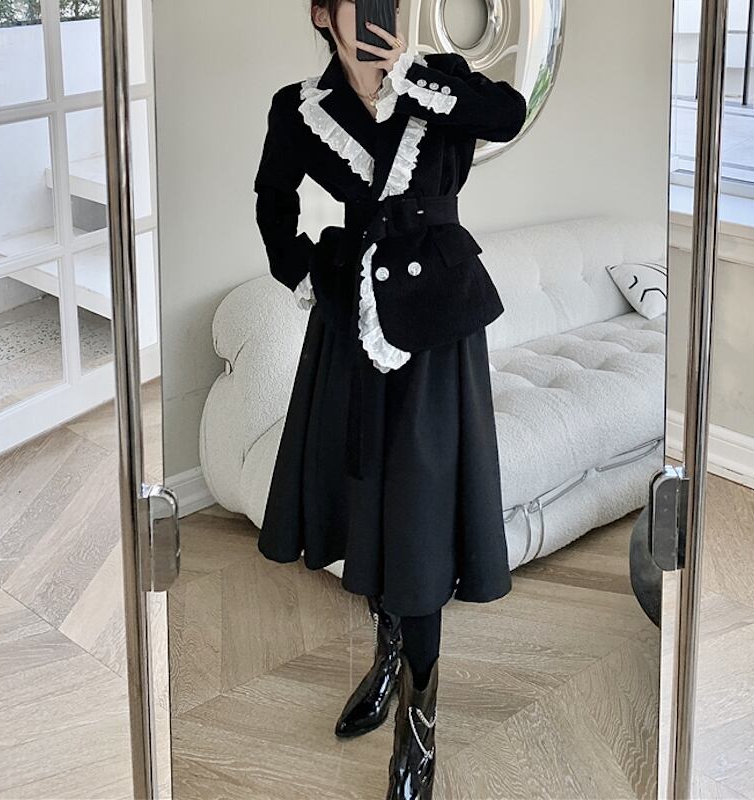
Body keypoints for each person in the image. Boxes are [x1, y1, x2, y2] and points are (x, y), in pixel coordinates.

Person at [253, 2, 527, 797]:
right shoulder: (300, 108)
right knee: (366, 496)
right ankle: (386, 658)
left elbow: (506, 115)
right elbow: (273, 201)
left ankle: (418, 730)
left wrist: (408, 72)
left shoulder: (437, 80)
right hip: (351, 326)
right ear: (321, 13)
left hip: (435, 330)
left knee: (422, 516)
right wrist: (307, 273)